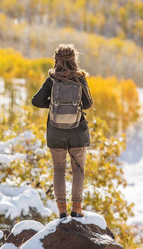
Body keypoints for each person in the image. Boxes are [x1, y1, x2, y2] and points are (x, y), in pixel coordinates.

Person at [32, 44, 93, 219]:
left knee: (59, 169)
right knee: (78, 170)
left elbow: (36, 101)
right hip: (77, 132)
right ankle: (76, 208)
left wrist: (52, 105)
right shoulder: (80, 79)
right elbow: (88, 104)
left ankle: (62, 210)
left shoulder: (52, 79)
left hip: (55, 132)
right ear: (74, 59)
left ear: (56, 59)